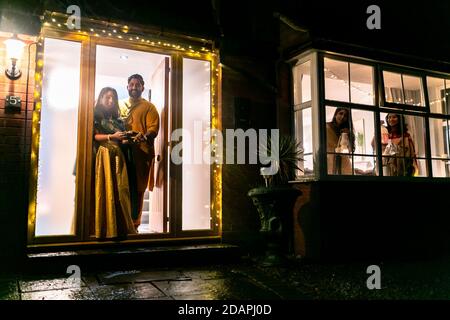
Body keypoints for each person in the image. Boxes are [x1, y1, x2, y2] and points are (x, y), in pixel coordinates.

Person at [93, 87, 137, 239]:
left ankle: (120, 227)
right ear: (101, 98)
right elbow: (95, 136)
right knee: (106, 190)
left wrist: (128, 139)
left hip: (118, 155)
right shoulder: (95, 115)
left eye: (113, 98)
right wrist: (112, 136)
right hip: (104, 154)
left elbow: (122, 141)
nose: (111, 101)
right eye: (107, 97)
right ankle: (105, 229)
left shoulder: (118, 120)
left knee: (121, 189)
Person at [119, 74, 160, 231]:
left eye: (137, 85)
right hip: (122, 151)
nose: (134, 87)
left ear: (143, 87)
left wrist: (144, 136)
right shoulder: (119, 104)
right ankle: (121, 223)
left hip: (140, 154)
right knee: (122, 186)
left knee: (137, 189)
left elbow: (153, 129)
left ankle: (134, 225)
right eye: (131, 84)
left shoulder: (149, 107)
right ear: (127, 87)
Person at [326, 108, 355, 175]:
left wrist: (348, 136)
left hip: (344, 161)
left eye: (345, 116)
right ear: (335, 114)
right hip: (330, 159)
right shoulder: (326, 127)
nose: (342, 117)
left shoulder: (347, 131)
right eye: (341, 113)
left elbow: (350, 150)